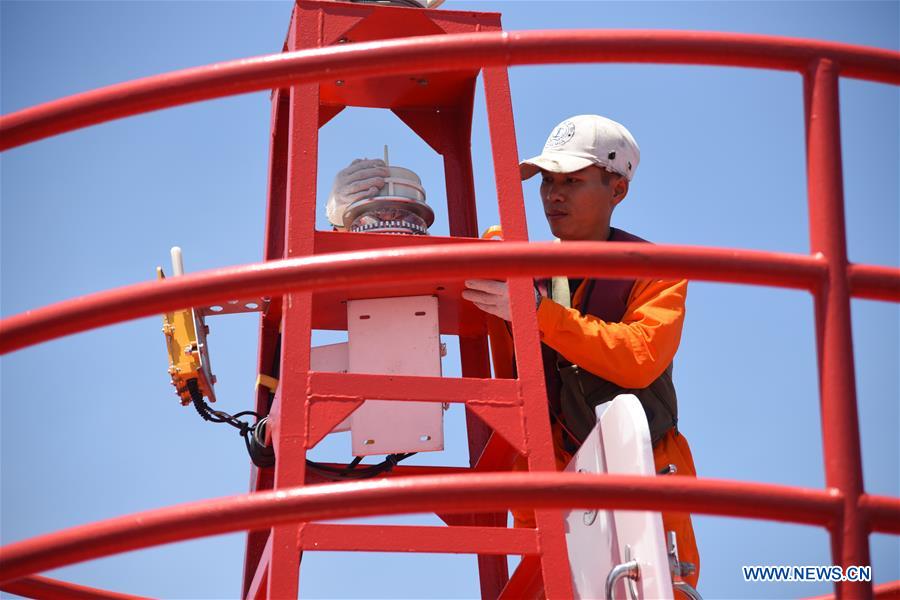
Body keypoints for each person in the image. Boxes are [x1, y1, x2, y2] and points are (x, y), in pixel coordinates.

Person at [461, 114, 700, 589]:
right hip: (548, 480)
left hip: (642, 469)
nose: (554, 194)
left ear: (618, 190)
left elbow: (638, 357)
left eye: (572, 180)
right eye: (548, 181)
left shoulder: (657, 271)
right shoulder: (513, 261)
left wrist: (535, 313)